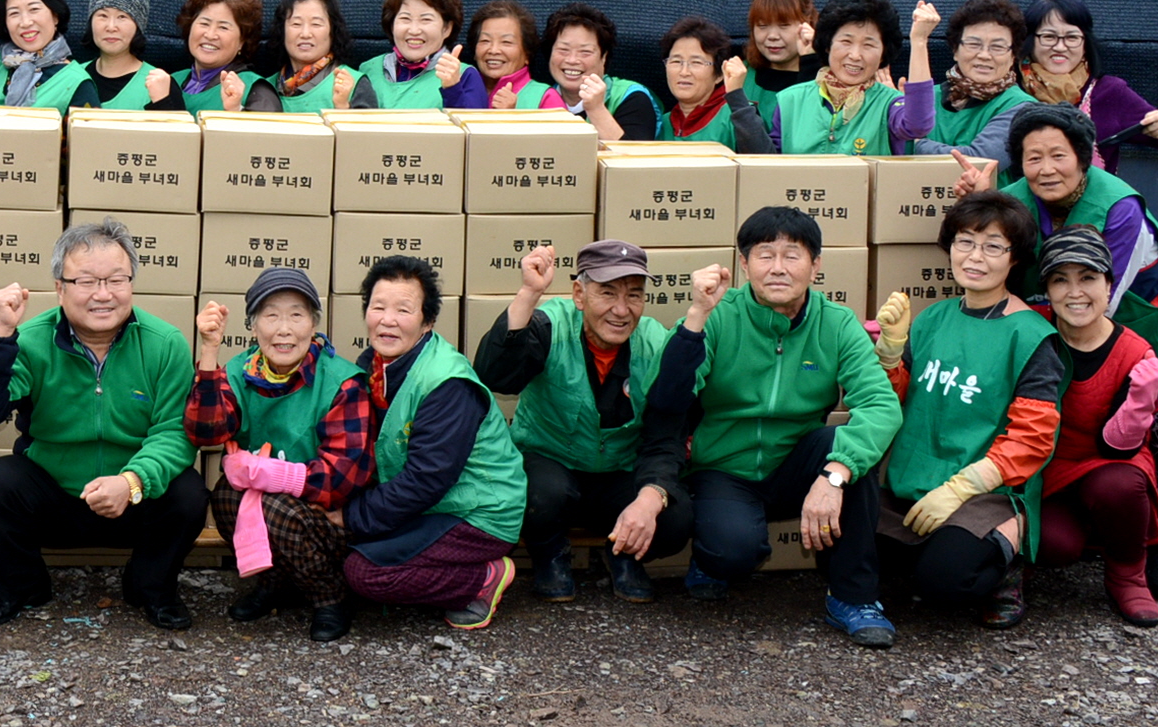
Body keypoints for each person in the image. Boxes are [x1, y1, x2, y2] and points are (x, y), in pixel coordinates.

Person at [954, 104, 1158, 600]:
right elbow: (981, 262)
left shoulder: (1119, 205)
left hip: (1148, 322)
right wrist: (979, 201)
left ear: (1084, 157)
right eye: (1033, 158)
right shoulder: (1012, 199)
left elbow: (1094, 301)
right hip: (1052, 321)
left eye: (1059, 155)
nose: (1046, 168)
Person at [0, 220, 207, 630]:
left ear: (131, 283)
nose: (103, 294)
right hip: (55, 497)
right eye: (86, 281)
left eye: (116, 280)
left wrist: (130, 481)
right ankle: (22, 585)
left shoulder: (166, 343)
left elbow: (174, 433)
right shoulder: (30, 341)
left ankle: (151, 586)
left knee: (188, 492)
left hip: (133, 499)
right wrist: (1, 334)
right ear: (60, 288)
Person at [673, 207, 902, 647]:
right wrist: (694, 320)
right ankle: (710, 557)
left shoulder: (836, 323)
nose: (778, 268)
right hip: (725, 466)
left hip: (799, 462)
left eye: (792, 255)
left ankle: (853, 598)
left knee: (848, 448)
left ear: (816, 265)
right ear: (744, 264)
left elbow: (881, 406)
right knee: (733, 553)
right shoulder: (720, 314)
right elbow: (674, 391)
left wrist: (836, 473)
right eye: (765, 255)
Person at [869, 193, 1063, 629]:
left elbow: (1032, 439)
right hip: (911, 479)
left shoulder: (1031, 336)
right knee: (838, 553)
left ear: (1015, 259)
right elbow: (895, 401)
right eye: (965, 242)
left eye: (993, 246)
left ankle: (1006, 566)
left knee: (946, 584)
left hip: (983, 491)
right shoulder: (932, 318)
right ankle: (933, 549)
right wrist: (890, 355)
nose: (975, 257)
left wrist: (959, 489)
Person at [473, 242, 701, 605]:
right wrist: (529, 293)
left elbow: (667, 433)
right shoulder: (549, 324)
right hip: (551, 464)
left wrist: (652, 495)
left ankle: (624, 554)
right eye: (607, 293)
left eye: (634, 295)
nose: (621, 310)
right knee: (539, 496)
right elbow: (495, 376)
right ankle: (549, 554)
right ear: (579, 293)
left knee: (676, 518)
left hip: (620, 471)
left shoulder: (656, 343)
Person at [185, 269, 375, 641]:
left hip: (334, 518)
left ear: (314, 324)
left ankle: (330, 596)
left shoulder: (343, 381)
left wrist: (272, 475)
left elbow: (344, 477)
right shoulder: (242, 370)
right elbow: (206, 432)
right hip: (281, 510)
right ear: (254, 326)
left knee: (273, 507)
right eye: (271, 316)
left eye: (296, 315)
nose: (283, 329)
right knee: (225, 495)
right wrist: (209, 350)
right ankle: (277, 583)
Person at [342, 256, 525, 630]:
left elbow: (427, 480)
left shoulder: (447, 383)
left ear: (427, 322)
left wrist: (351, 516)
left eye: (403, 310)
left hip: (478, 513)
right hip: (432, 505)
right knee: (340, 546)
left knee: (363, 573)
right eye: (378, 307)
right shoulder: (374, 368)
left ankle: (483, 579)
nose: (387, 319)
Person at [1032, 224, 1158, 625]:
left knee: (1119, 485)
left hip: (1108, 463)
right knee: (1054, 547)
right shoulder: (1033, 330)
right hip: (1047, 471)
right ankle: (1085, 534)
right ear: (1047, 291)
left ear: (1109, 286)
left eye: (1088, 278)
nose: (1075, 293)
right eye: (1060, 280)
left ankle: (1128, 573)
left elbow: (1118, 447)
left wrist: (1140, 399)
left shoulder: (1133, 352)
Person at [1018, 0, 1158, 173]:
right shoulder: (1011, 89)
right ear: (1030, 41)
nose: (1060, 47)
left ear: (1085, 42)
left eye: (1072, 37)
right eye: (1049, 37)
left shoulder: (1109, 92)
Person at [767, 0, 938, 155]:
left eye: (868, 45)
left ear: (883, 55)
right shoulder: (790, 100)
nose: (855, 55)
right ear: (828, 45)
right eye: (846, 41)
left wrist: (920, 41)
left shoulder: (889, 104)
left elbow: (918, 125)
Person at [912, 0, 1037, 163]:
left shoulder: (1021, 107)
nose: (984, 55)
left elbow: (980, 160)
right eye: (973, 44)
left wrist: (916, 145)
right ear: (955, 50)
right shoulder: (928, 97)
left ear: (1013, 55)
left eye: (997, 47)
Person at [353, 0, 483, 110]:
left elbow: (476, 131)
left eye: (426, 19)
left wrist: (452, 88)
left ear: (446, 28)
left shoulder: (465, 76)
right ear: (392, 24)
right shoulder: (368, 69)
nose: (414, 30)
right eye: (405, 18)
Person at [542, 3, 659, 141]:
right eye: (563, 50)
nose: (572, 60)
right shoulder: (540, 98)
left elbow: (633, 158)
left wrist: (596, 109)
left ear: (603, 58)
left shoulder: (633, 97)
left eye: (585, 52)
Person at [244, 0, 370, 111]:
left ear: (333, 31)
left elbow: (368, 131)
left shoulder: (352, 83)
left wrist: (343, 107)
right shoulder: (263, 88)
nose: (305, 34)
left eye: (316, 24)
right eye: (296, 24)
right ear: (282, 31)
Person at [70, 0, 180, 110]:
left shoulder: (159, 84)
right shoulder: (72, 76)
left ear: (138, 26)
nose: (111, 27)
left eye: (122, 17)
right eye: (103, 15)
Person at [657, 16, 771, 151]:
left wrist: (738, 101)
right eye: (676, 61)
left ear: (718, 74)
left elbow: (763, 161)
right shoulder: (662, 122)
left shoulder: (739, 114)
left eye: (696, 62)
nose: (684, 72)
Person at [171, 0, 264, 113]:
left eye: (223, 27)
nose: (210, 35)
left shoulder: (256, 88)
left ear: (242, 41)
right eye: (204, 23)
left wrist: (237, 110)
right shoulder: (169, 81)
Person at [465, 0, 564, 110]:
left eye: (506, 42)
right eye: (485, 41)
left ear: (527, 53)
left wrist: (512, 116)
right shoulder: (459, 89)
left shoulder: (546, 98)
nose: (493, 50)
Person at [740, 0, 820, 107]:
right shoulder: (739, 75)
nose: (772, 36)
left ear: (807, 24)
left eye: (784, 25)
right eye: (762, 25)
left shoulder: (829, 79)